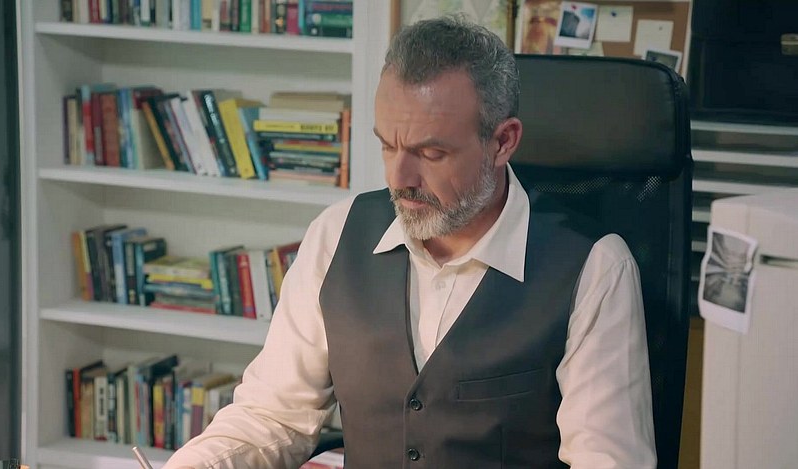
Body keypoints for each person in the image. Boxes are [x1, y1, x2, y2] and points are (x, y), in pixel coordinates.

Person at [166, 15, 656, 469]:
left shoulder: (594, 267)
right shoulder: (336, 236)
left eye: (431, 152)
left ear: (503, 141)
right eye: (388, 145)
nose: (399, 178)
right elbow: (272, 417)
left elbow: (608, 461)